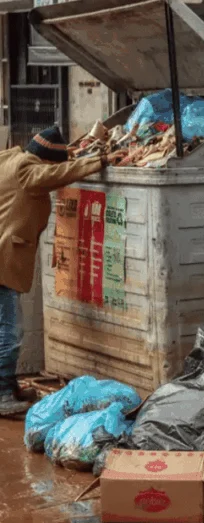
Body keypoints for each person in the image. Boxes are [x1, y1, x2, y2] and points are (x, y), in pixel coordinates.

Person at [0, 126, 125, 415]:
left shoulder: (11, 158)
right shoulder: (28, 172)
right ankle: (3, 392)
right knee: (9, 329)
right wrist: (100, 161)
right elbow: (53, 175)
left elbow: (49, 167)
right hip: (3, 258)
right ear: (45, 161)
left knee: (6, 326)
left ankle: (8, 385)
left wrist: (72, 153)